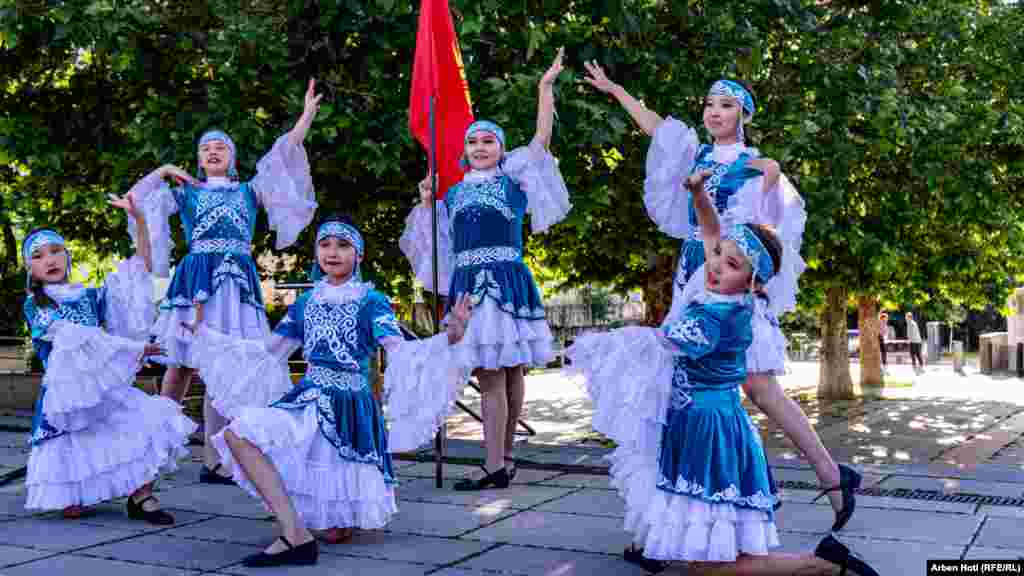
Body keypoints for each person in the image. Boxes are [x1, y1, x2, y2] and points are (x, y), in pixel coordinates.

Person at [583, 62, 860, 532]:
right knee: (682, 389)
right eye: (710, 104)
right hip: (693, 271)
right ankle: (663, 519)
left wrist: (769, 189)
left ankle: (828, 475)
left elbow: (775, 229)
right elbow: (655, 126)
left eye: (726, 105)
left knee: (756, 385)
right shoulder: (695, 157)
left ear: (744, 114)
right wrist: (614, 90)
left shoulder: (757, 165)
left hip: (730, 274)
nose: (714, 112)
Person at [566, 171, 880, 576]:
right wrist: (698, 194)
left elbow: (665, 344)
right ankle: (816, 560)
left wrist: (601, 346)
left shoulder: (716, 313)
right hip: (703, 424)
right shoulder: (725, 295)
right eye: (715, 255)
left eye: (729, 263)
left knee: (702, 567)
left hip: (707, 432)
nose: (714, 265)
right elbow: (712, 234)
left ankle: (820, 564)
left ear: (752, 282)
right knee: (701, 555)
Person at [193, 216, 475, 567]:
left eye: (343, 245)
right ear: (315, 253)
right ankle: (294, 534)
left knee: (338, 531)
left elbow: (401, 351)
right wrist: (207, 337)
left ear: (358, 255)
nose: (333, 252)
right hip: (309, 401)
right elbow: (268, 352)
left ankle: (303, 532)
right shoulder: (305, 302)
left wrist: (451, 336)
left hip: (350, 411)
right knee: (238, 435)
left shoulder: (371, 301)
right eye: (325, 244)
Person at [126, 79, 321, 484]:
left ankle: (215, 459)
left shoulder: (250, 191)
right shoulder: (186, 194)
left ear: (232, 158)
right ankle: (154, 448)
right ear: (198, 159)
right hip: (195, 279)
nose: (213, 151)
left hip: (236, 285)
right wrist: (163, 169)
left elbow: (282, 156)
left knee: (227, 362)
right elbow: (135, 200)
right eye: (205, 147)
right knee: (179, 363)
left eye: (221, 146)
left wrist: (305, 118)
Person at [399, 48, 571, 490]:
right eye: (473, 141)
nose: (479, 147)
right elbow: (432, 247)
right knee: (494, 371)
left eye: (488, 141)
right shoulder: (451, 195)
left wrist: (544, 89)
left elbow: (542, 140)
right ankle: (500, 459)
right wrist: (425, 200)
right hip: (469, 288)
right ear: (464, 149)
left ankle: (498, 460)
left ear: (500, 148)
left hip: (507, 282)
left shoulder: (514, 182)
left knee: (508, 371)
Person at [21, 195, 196, 524]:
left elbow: (138, 273)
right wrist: (133, 349)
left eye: (56, 251)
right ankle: (85, 491)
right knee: (71, 505)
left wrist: (140, 221)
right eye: (38, 255)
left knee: (152, 420)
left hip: (105, 389)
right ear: (30, 268)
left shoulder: (90, 295)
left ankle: (142, 494)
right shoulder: (36, 305)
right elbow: (77, 338)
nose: (49, 259)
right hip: (66, 399)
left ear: (67, 256)